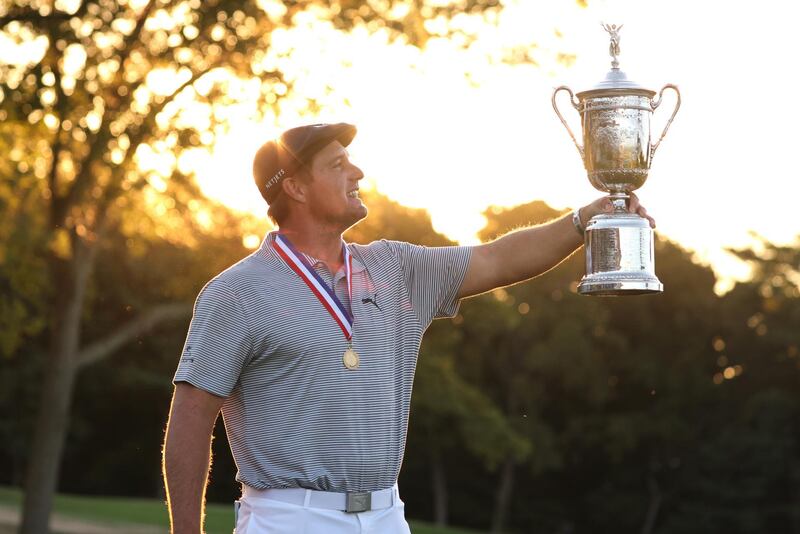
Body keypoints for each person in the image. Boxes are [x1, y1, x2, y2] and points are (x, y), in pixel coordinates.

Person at [162, 123, 654, 533]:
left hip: (386, 517)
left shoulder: (397, 267)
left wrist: (586, 218)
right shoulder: (236, 292)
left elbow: (499, 258)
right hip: (290, 519)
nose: (357, 172)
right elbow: (191, 417)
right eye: (337, 165)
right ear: (294, 187)